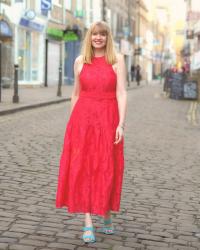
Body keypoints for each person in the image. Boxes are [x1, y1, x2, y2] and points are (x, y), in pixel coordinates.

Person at [56, 21, 127, 243]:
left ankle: (105, 212)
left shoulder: (117, 60)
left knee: (106, 166)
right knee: (84, 167)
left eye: (102, 34)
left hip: (107, 118)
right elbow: (76, 94)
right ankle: (88, 221)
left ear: (108, 37)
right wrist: (72, 123)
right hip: (82, 120)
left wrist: (121, 124)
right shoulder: (79, 61)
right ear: (89, 37)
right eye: (95, 34)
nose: (98, 38)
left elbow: (122, 93)